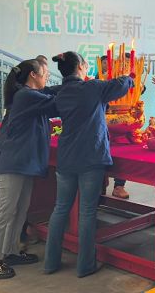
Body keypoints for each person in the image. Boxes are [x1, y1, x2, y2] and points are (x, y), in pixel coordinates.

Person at [44, 52, 133, 278]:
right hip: (91, 157)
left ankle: (50, 262)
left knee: (60, 208)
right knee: (87, 211)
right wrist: (128, 76)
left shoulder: (60, 92)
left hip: (66, 157)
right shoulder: (92, 87)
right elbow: (121, 85)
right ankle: (85, 266)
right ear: (82, 66)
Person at [0, 59, 55, 279]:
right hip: (13, 161)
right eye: (45, 72)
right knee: (5, 211)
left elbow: (52, 93)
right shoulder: (25, 95)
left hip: (24, 162)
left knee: (19, 210)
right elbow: (56, 101)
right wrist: (78, 86)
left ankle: (11, 251)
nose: (47, 76)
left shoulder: (31, 95)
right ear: (33, 75)